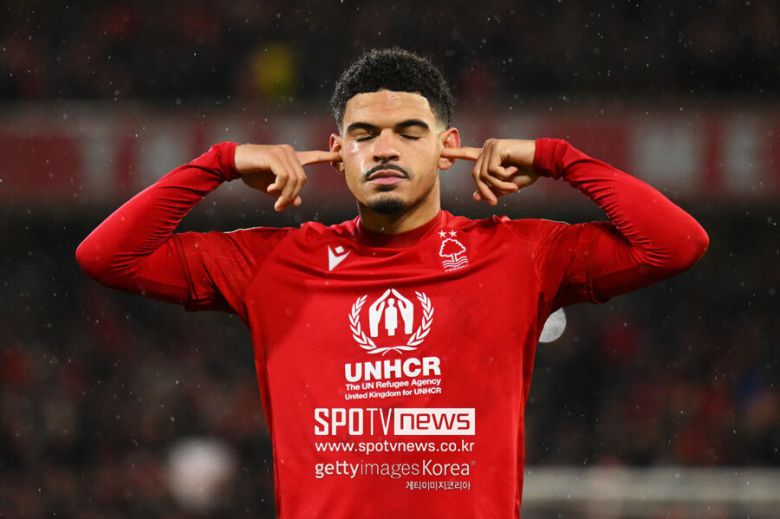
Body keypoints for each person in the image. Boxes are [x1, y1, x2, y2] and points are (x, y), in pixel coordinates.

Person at [75, 48, 709, 518]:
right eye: (364, 135)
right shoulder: (274, 262)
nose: (384, 149)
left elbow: (676, 244)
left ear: (447, 147)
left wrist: (558, 158)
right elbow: (108, 257)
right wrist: (219, 164)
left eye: (409, 133)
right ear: (336, 151)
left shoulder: (518, 253)